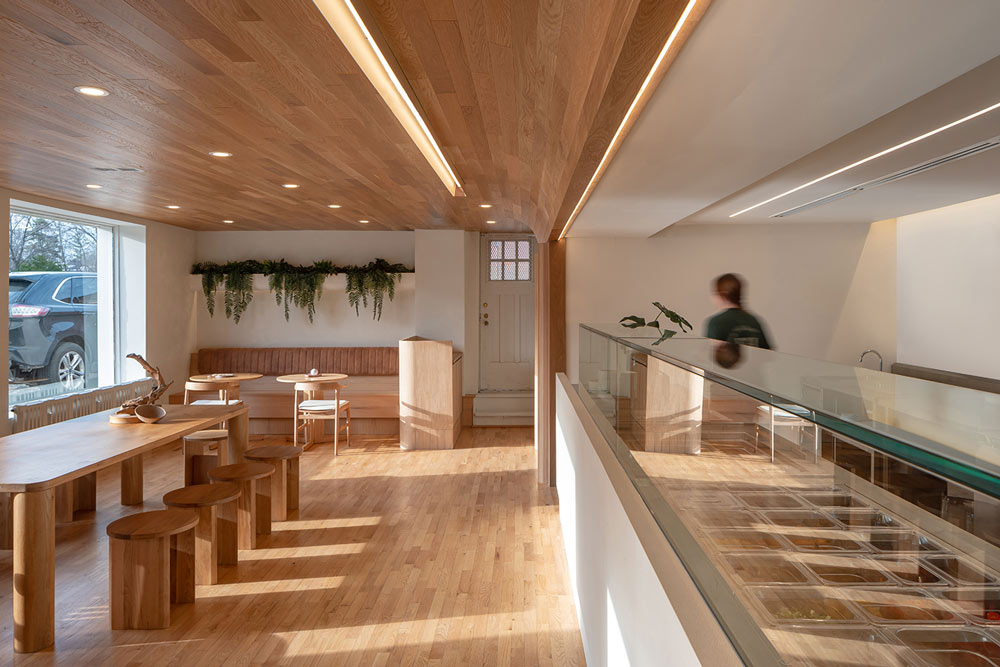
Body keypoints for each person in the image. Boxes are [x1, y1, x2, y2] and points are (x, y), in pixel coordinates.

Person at [705, 273, 772, 349]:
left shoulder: (716, 322)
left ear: (722, 294)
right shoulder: (753, 321)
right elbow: (768, 353)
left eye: (715, 293)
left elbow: (710, 356)